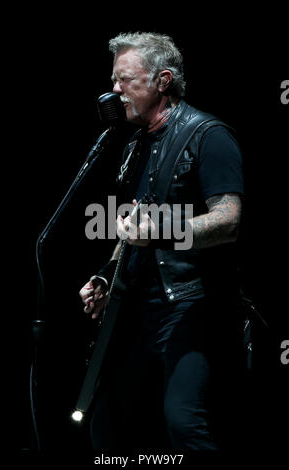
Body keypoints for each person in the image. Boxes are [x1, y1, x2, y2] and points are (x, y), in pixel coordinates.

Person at [79, 32, 244, 451]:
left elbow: (228, 221)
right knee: (105, 422)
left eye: (124, 80)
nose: (114, 90)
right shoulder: (134, 144)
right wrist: (104, 276)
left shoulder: (209, 135)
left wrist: (162, 228)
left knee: (184, 423)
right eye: (113, 80)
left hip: (192, 304)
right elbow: (132, 227)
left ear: (162, 80)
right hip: (138, 306)